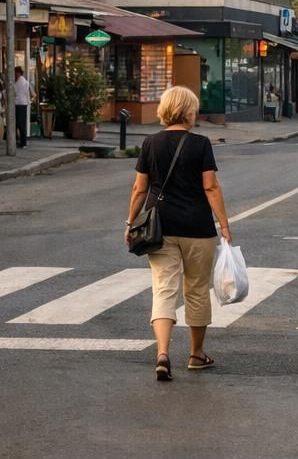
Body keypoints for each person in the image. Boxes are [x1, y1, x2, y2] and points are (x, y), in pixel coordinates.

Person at [124, 85, 232, 382]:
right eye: (194, 107)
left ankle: (162, 353)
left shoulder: (150, 143)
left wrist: (130, 222)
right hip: (198, 228)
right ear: (188, 111)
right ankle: (196, 355)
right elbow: (210, 187)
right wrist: (224, 223)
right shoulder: (200, 144)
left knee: (163, 289)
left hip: (160, 228)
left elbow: (139, 188)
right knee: (197, 290)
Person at [13, 67, 32, 148]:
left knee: (19, 123)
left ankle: (22, 142)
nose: (14, 74)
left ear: (18, 73)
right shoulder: (26, 82)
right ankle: (22, 141)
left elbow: (14, 91)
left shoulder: (19, 82)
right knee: (21, 123)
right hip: (23, 103)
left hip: (18, 103)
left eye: (15, 73)